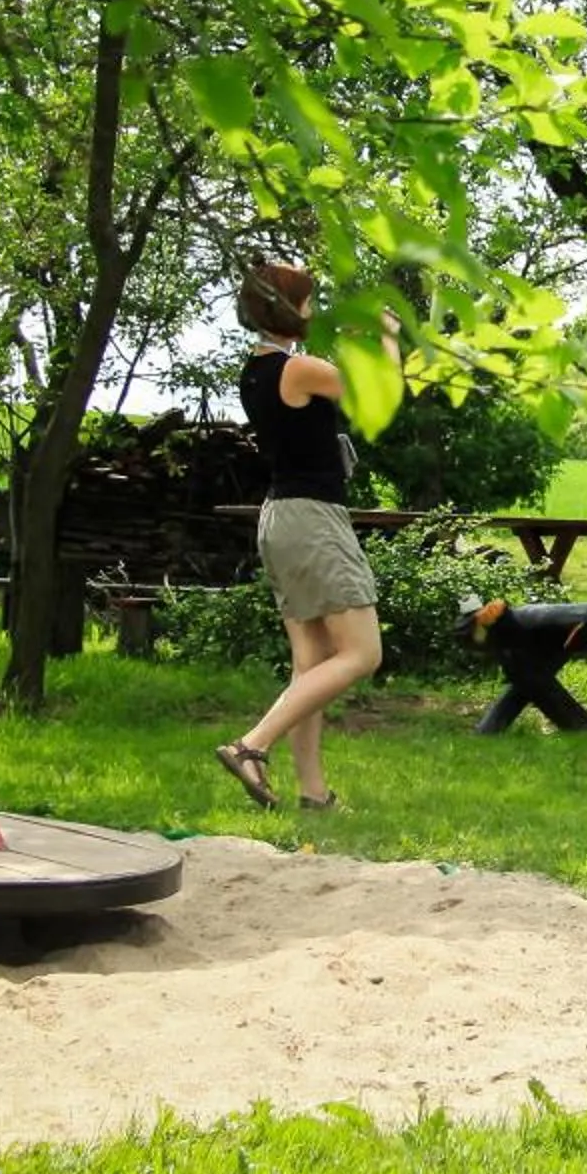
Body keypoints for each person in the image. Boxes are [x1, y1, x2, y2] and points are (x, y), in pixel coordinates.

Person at [211, 262, 385, 814]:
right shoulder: (297, 370)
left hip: (281, 517)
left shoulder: (260, 370)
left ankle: (313, 794)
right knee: (362, 653)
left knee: (312, 662)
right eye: (308, 301)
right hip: (311, 520)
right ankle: (251, 745)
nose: (313, 309)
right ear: (288, 308)